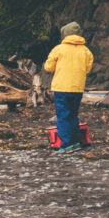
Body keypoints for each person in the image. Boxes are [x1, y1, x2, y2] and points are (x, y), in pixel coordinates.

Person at [44, 22, 94, 154]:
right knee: (73, 114)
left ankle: (66, 144)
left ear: (64, 34)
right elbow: (87, 69)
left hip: (62, 87)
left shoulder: (59, 49)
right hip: (77, 88)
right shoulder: (86, 51)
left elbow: (48, 67)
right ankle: (76, 141)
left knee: (62, 116)